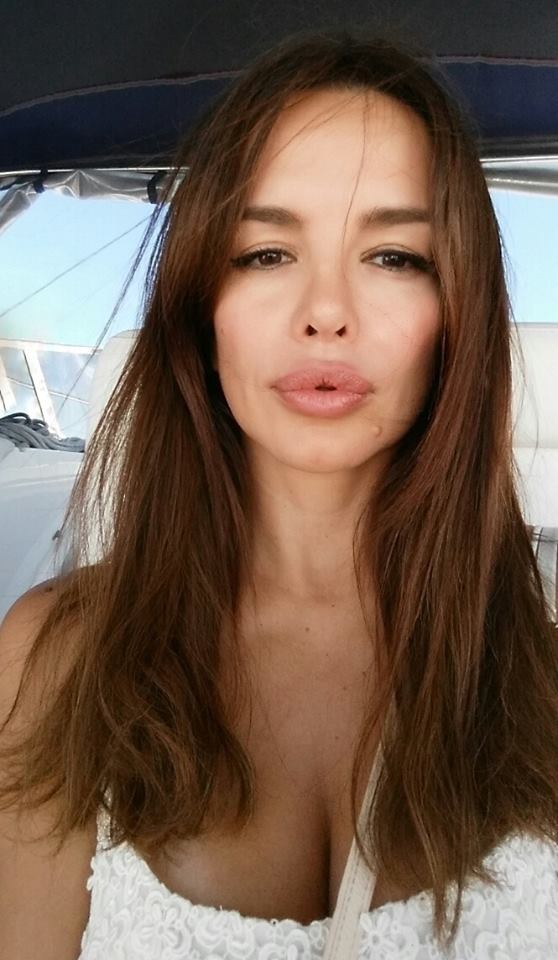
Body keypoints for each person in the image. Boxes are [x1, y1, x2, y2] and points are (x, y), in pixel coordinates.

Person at [1, 31, 557, 960]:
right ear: (199, 309)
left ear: (456, 313)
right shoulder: (53, 658)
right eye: (265, 253)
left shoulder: (545, 671)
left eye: (395, 256)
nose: (326, 311)